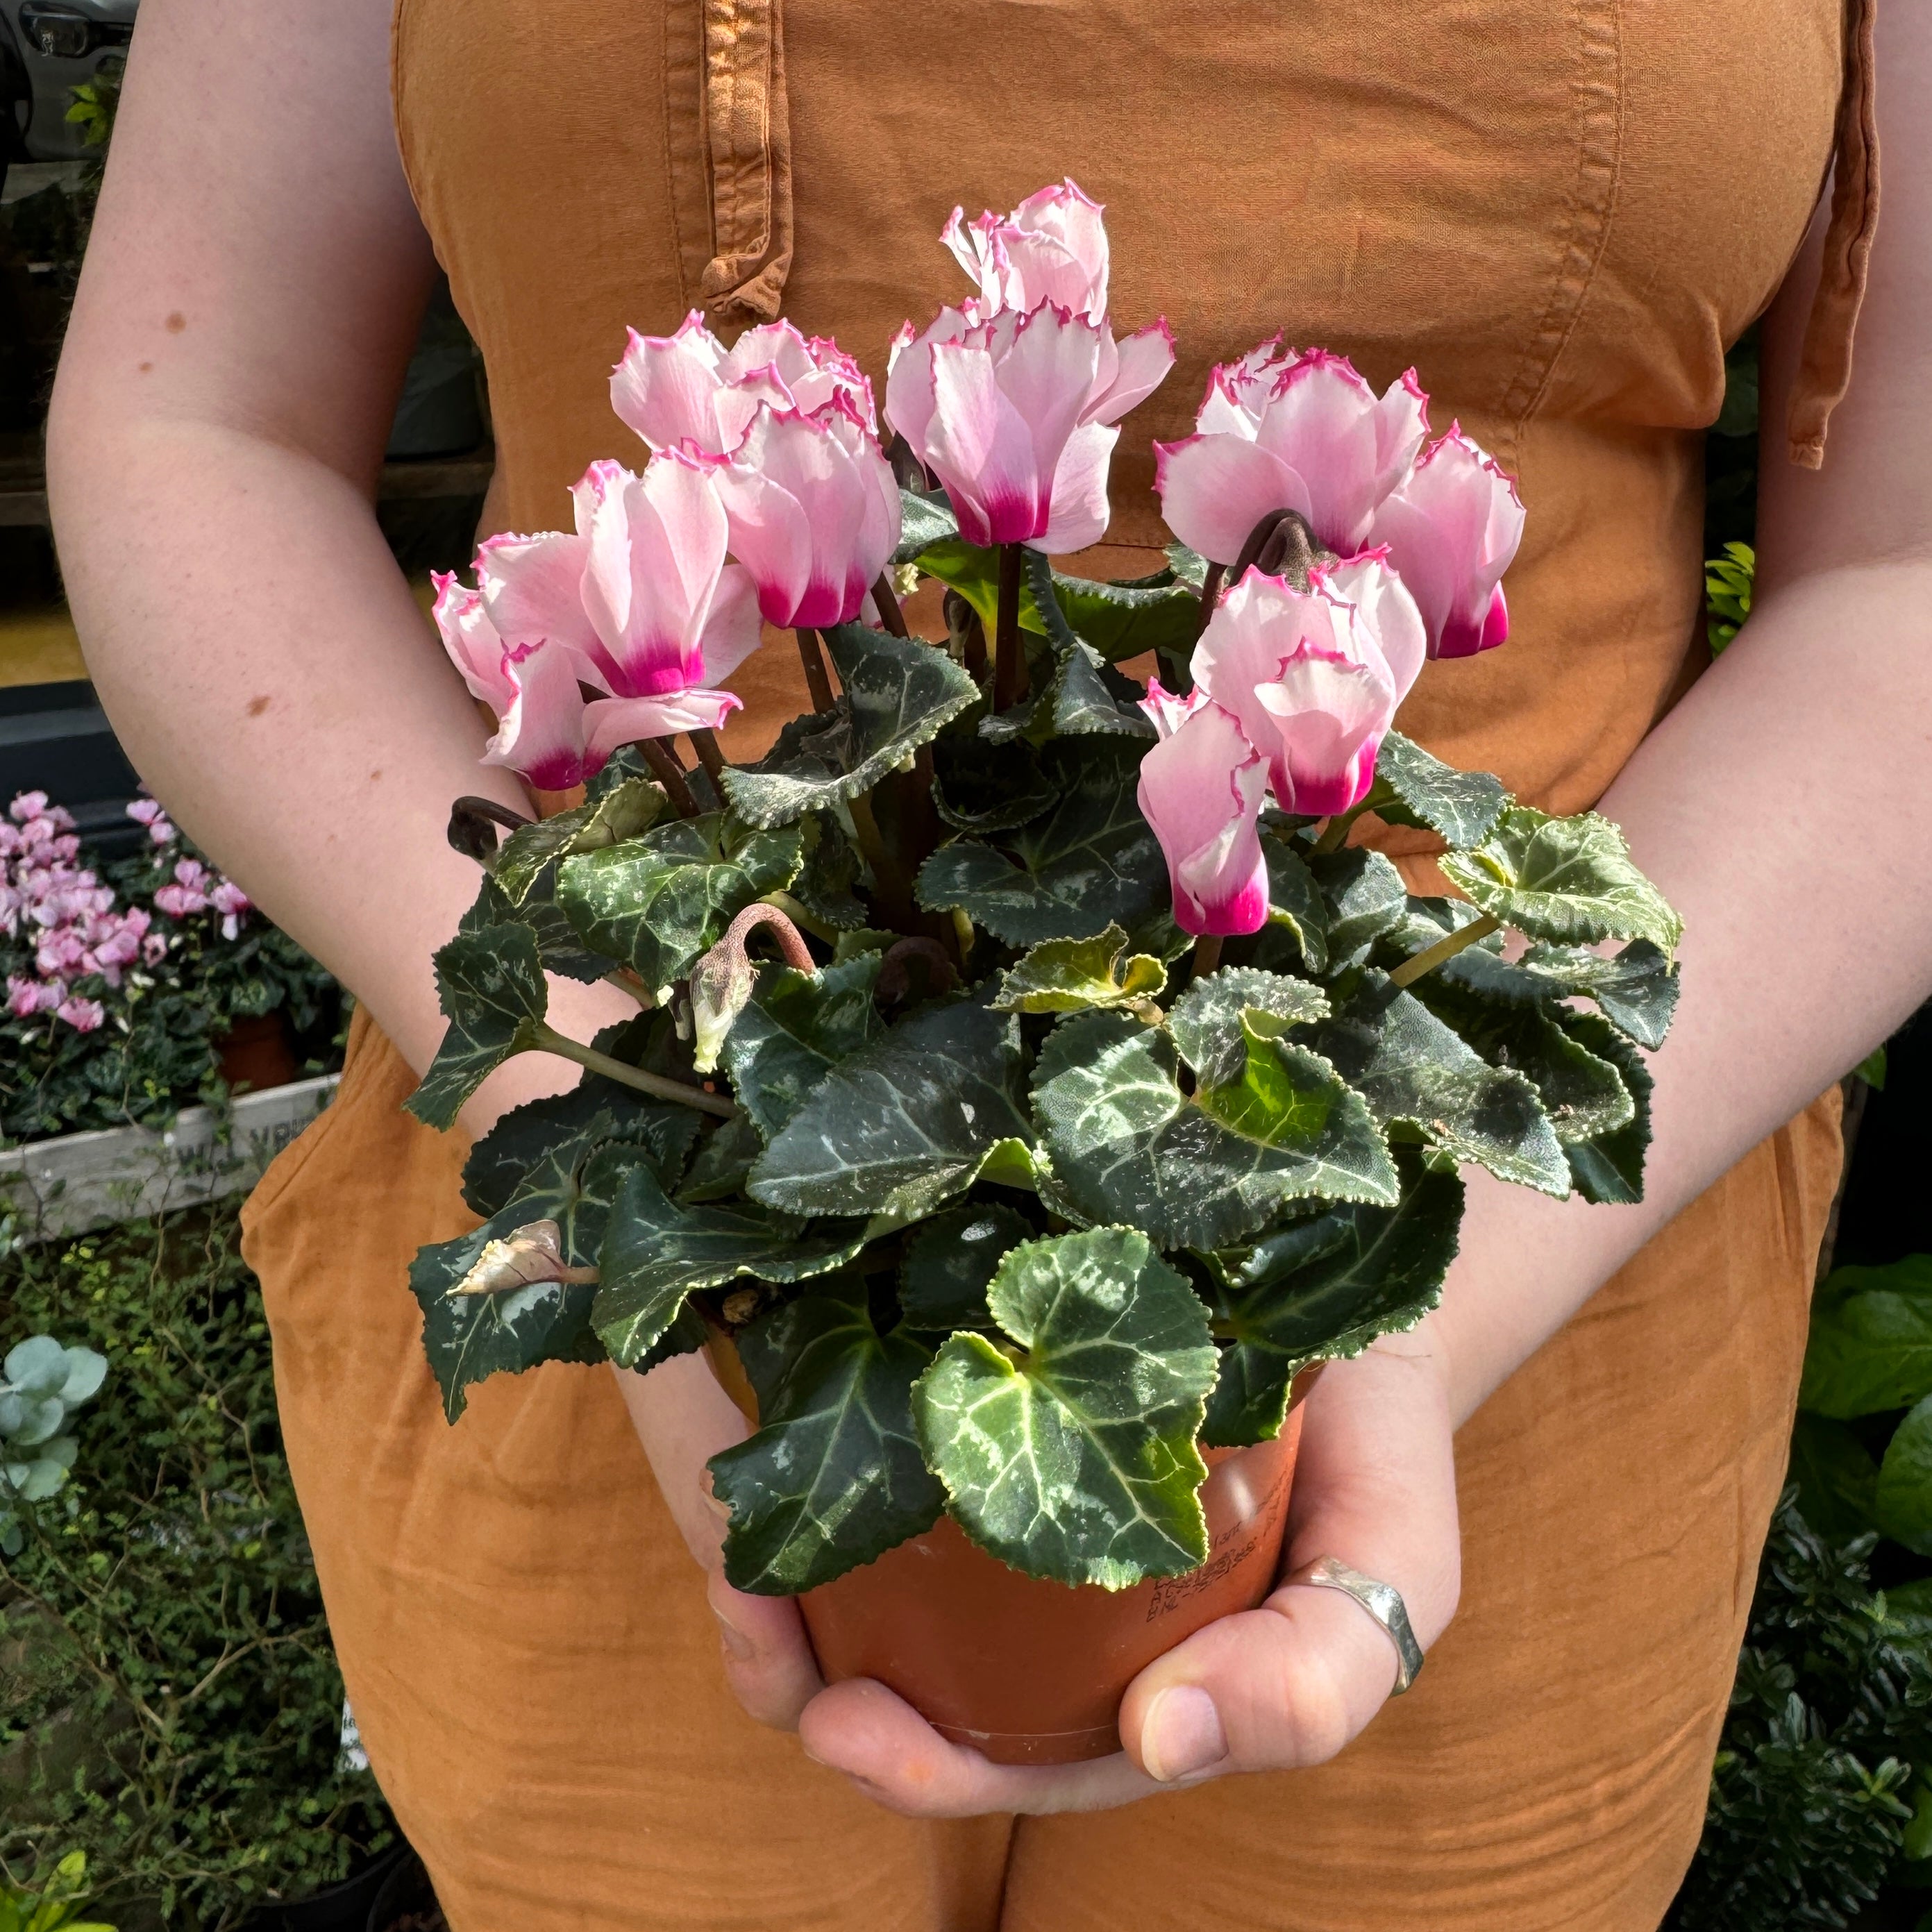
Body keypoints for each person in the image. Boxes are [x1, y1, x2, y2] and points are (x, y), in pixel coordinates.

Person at [47, 0, 1929, 1925]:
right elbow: (197, 421)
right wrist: (639, 1179)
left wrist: (1388, 1342)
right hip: (639, 1249)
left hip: (1503, 1291)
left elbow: (1909, 583)